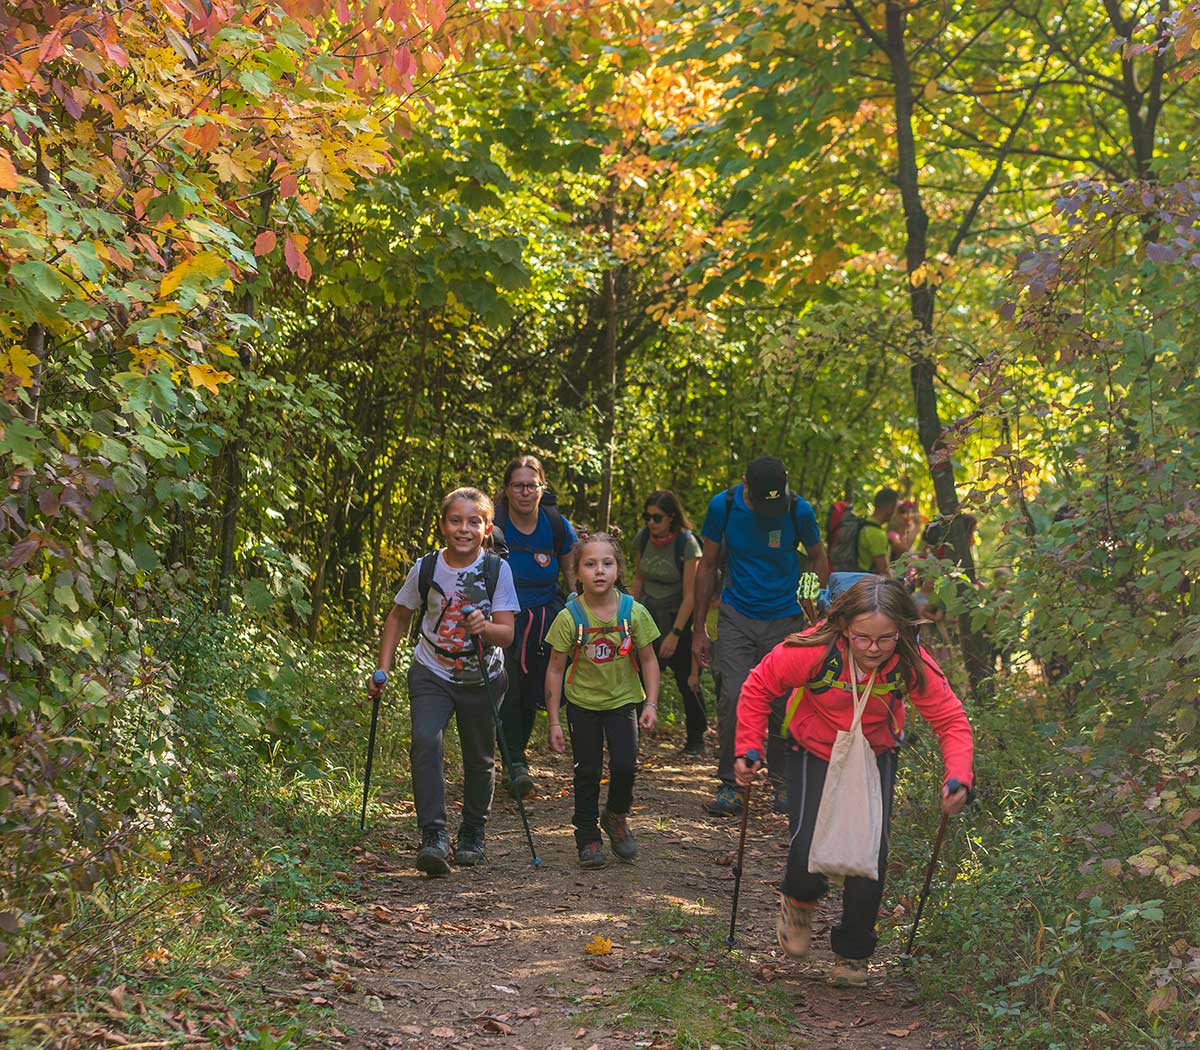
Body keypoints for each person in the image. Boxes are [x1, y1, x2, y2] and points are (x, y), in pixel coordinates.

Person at [733, 577, 973, 987]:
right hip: (813, 748)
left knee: (869, 854)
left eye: (885, 639)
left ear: (902, 630)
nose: (874, 648)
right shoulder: (814, 649)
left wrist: (958, 777)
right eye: (863, 637)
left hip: (874, 753)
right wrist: (747, 748)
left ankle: (853, 954)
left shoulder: (910, 661)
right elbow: (758, 686)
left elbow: (951, 720)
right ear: (845, 627)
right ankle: (799, 898)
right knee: (807, 841)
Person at [369, 487, 519, 876]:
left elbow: (507, 634)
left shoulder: (496, 570)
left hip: (482, 675)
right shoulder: (427, 567)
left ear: (487, 529)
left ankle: (473, 832)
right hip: (431, 669)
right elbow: (399, 616)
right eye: (456, 520)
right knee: (425, 740)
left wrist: (484, 627)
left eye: (474, 522)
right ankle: (433, 836)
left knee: (479, 756)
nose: (464, 529)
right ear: (442, 525)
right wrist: (382, 667)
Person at [692, 456, 830, 817]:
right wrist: (699, 629)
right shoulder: (723, 506)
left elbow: (818, 557)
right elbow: (706, 565)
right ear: (745, 485)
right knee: (735, 695)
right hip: (736, 614)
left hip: (786, 619)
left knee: (785, 704)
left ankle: (783, 784)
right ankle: (732, 784)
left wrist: (813, 601)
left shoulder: (797, 510)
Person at [544, 533, 660, 868]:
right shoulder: (569, 618)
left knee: (625, 765)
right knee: (587, 771)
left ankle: (616, 816)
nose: (599, 571)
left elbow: (649, 659)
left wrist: (650, 704)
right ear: (577, 573)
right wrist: (554, 720)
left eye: (607, 563)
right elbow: (554, 670)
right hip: (582, 704)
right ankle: (588, 837)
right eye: (590, 564)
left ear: (618, 569)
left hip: (624, 701)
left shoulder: (633, 613)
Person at [492, 454, 579, 799]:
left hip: (546, 618)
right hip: (503, 617)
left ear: (542, 488)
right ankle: (515, 763)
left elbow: (569, 564)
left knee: (531, 691)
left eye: (532, 485)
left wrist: (574, 596)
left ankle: (517, 759)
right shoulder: (494, 525)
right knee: (508, 687)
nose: (525, 492)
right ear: (507, 490)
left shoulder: (556, 524)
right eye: (518, 485)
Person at [630, 489, 707, 755]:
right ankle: (633, 735)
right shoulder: (642, 539)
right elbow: (639, 579)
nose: (651, 523)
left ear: (671, 517)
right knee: (637, 674)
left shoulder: (687, 544)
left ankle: (696, 737)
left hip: (678, 616)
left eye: (657, 517)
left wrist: (675, 634)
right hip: (648, 614)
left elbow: (691, 595)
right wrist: (629, 613)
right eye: (647, 517)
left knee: (688, 678)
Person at [857, 488, 897, 576]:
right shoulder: (877, 534)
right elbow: (884, 572)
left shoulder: (864, 523)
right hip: (866, 582)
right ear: (891, 507)